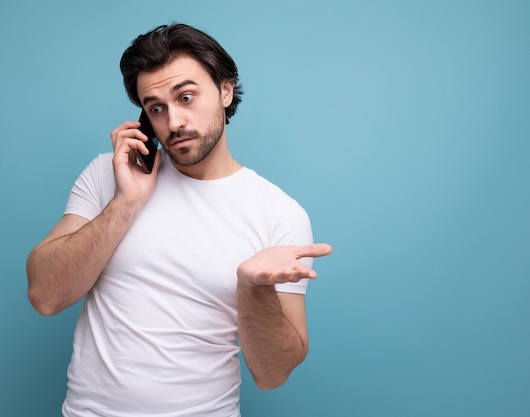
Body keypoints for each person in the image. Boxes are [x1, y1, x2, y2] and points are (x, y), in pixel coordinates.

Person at [26, 23, 332, 417]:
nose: (173, 123)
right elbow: (45, 296)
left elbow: (272, 374)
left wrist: (252, 289)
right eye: (156, 107)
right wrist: (125, 204)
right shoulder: (108, 175)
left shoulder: (278, 213)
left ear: (224, 91)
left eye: (186, 97)